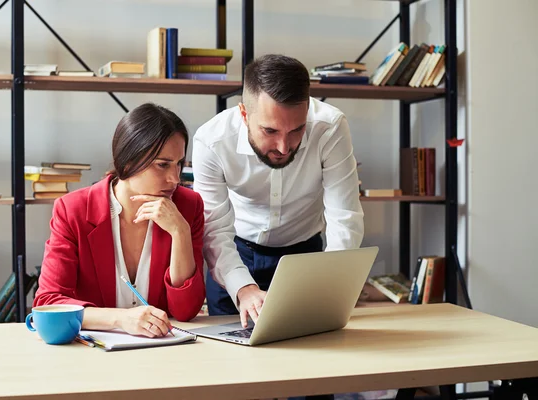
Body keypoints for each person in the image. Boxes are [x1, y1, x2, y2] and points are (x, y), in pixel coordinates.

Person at [192, 54, 364, 329]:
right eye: (270, 131)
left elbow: (344, 216)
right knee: (229, 357)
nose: (284, 147)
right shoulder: (211, 141)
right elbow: (213, 228)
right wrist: (243, 287)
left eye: (297, 130)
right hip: (235, 253)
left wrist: (333, 286)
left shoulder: (330, 127)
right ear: (244, 114)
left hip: (304, 254)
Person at [34, 103, 206, 338]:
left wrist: (180, 232)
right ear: (128, 161)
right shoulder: (73, 210)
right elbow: (48, 302)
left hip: (163, 354)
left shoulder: (188, 206)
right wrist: (119, 318)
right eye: (163, 165)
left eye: (179, 164)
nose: (174, 179)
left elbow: (186, 311)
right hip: (93, 354)